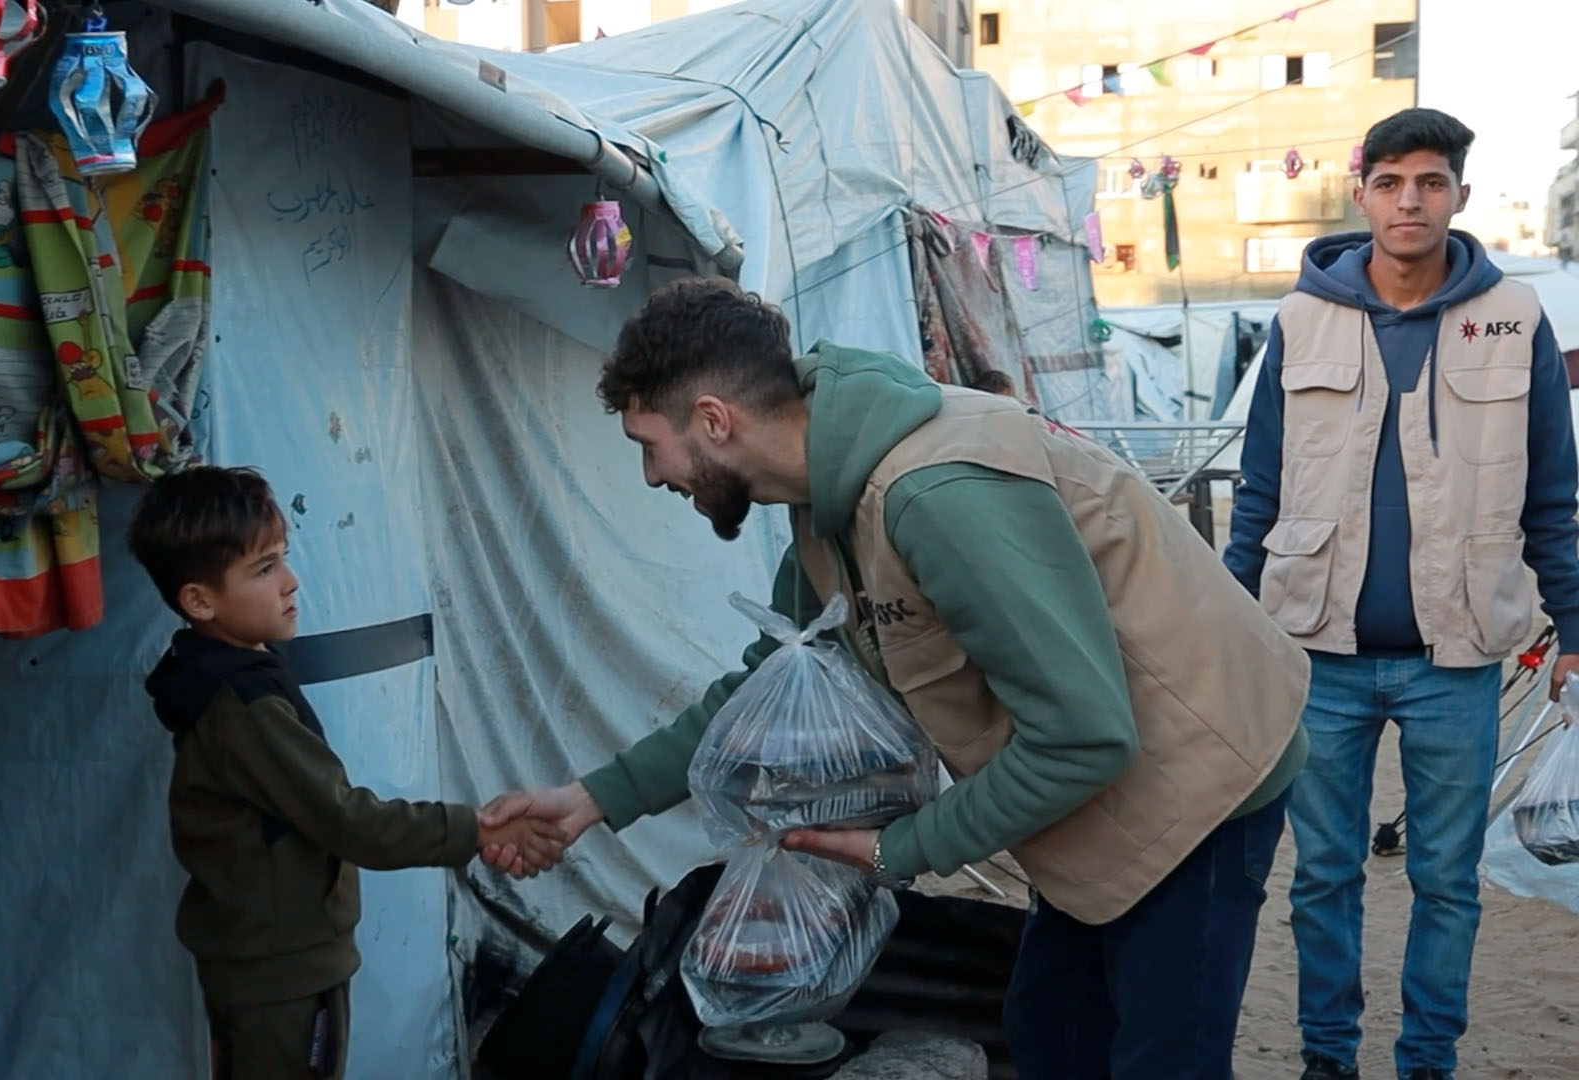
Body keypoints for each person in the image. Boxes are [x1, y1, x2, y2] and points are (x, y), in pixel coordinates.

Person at [482, 278, 1311, 1078]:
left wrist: (895, 850)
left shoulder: (933, 498)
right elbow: (767, 682)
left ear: (713, 420)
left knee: (1158, 1059)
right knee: (1052, 1033)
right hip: (1090, 789)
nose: (653, 477)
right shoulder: (821, 504)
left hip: (1198, 784)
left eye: (648, 447)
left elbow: (1084, 735)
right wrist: (594, 799)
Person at [1223, 107, 1579, 1080]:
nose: (1409, 200)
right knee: (1322, 878)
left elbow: (1552, 490)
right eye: (1390, 183)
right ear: (1362, 195)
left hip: (1456, 662)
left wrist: (1576, 624)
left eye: (1428, 182)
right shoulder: (1301, 321)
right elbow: (1259, 488)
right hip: (1318, 657)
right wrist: (1219, 618)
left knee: (1446, 883)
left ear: (1458, 194)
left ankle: (1429, 1062)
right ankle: (1327, 1060)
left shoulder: (1513, 320)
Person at [127, 466, 564, 1079]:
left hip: (270, 961)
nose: (290, 581)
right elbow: (349, 820)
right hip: (282, 974)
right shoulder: (242, 709)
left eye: (282, 558)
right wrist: (480, 830)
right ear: (199, 601)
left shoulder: (234, 671)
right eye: (263, 569)